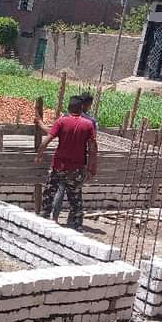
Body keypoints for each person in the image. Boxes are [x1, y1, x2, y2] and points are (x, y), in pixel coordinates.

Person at [35, 95, 97, 231]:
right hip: (76, 169)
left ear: (69, 108)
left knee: (49, 193)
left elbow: (46, 141)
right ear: (81, 109)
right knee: (75, 198)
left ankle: (44, 220)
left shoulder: (61, 121)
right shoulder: (88, 125)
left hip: (58, 167)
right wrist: (92, 169)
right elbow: (93, 149)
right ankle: (77, 226)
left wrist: (39, 155)